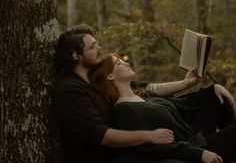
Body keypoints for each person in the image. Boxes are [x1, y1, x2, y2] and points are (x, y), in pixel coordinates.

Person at [52, 24, 205, 163]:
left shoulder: (95, 78)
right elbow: (100, 135)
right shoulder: (69, 90)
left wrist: (184, 84)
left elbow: (143, 88)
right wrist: (149, 136)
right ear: (75, 56)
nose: (99, 48)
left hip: (127, 150)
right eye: (92, 46)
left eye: (97, 43)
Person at [88, 54, 236, 163]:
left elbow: (182, 103)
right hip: (192, 148)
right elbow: (155, 147)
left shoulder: (143, 95)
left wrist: (212, 89)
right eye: (119, 63)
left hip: (195, 135)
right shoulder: (123, 110)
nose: (126, 64)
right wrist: (200, 154)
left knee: (220, 98)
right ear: (110, 76)